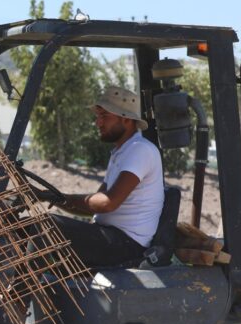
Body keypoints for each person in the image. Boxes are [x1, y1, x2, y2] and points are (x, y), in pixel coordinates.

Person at [35, 86, 164, 268]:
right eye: (98, 116)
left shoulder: (140, 150)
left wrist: (61, 198)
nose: (98, 123)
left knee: (43, 226)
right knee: (27, 227)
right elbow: (94, 208)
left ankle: (20, 287)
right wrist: (51, 197)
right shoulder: (121, 152)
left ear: (126, 119)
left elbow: (107, 203)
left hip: (127, 245)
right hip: (110, 236)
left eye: (104, 116)